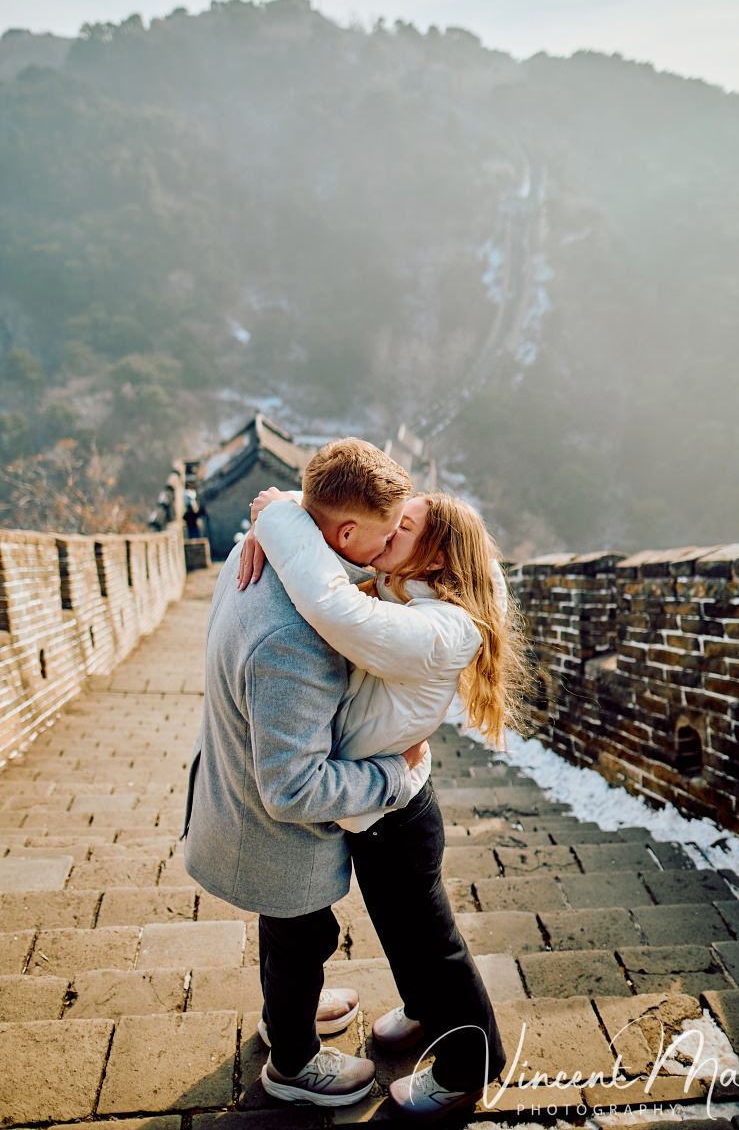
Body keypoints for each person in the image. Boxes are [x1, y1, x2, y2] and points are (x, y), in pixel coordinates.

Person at [237, 483, 526, 1121]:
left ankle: (466, 1071)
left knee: (432, 944)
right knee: (401, 934)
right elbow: (348, 530)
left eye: (403, 527)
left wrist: (279, 518)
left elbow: (332, 608)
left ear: (438, 557)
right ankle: (425, 1010)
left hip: (399, 815)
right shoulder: (412, 588)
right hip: (375, 802)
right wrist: (292, 506)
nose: (387, 530)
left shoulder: (440, 627)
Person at [182, 439, 432, 1109]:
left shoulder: (260, 545)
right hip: (269, 826)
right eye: (381, 540)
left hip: (230, 791)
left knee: (292, 931)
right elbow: (293, 788)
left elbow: (293, 516)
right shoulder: (296, 639)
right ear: (344, 531)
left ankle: (285, 1011)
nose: (385, 555)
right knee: (303, 933)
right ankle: (292, 1063)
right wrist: (389, 775)